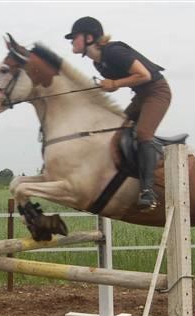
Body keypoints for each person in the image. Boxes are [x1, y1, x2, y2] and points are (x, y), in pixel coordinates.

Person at [65, 16, 171, 211]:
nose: (71, 41)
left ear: (89, 37)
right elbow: (127, 81)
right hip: (140, 97)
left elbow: (144, 75)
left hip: (157, 93)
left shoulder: (113, 52)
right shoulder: (98, 63)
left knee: (142, 134)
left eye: (75, 36)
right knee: (116, 133)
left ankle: (148, 190)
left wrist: (114, 84)